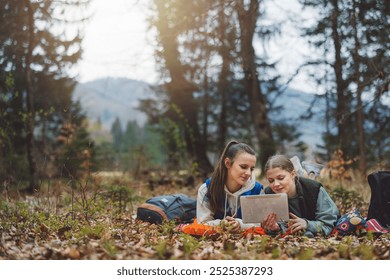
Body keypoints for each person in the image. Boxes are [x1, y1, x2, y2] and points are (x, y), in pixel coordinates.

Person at [261, 155, 339, 237]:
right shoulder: (268, 193)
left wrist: (307, 224)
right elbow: (279, 227)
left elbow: (329, 223)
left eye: (281, 178)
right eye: (271, 180)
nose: (276, 184)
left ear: (293, 174)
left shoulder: (314, 189)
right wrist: (276, 228)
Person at [196, 140, 263, 233]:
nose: (248, 173)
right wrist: (223, 224)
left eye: (251, 169)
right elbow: (202, 223)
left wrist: (240, 225)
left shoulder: (257, 190)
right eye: (243, 167)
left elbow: (260, 223)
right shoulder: (206, 189)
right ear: (227, 163)